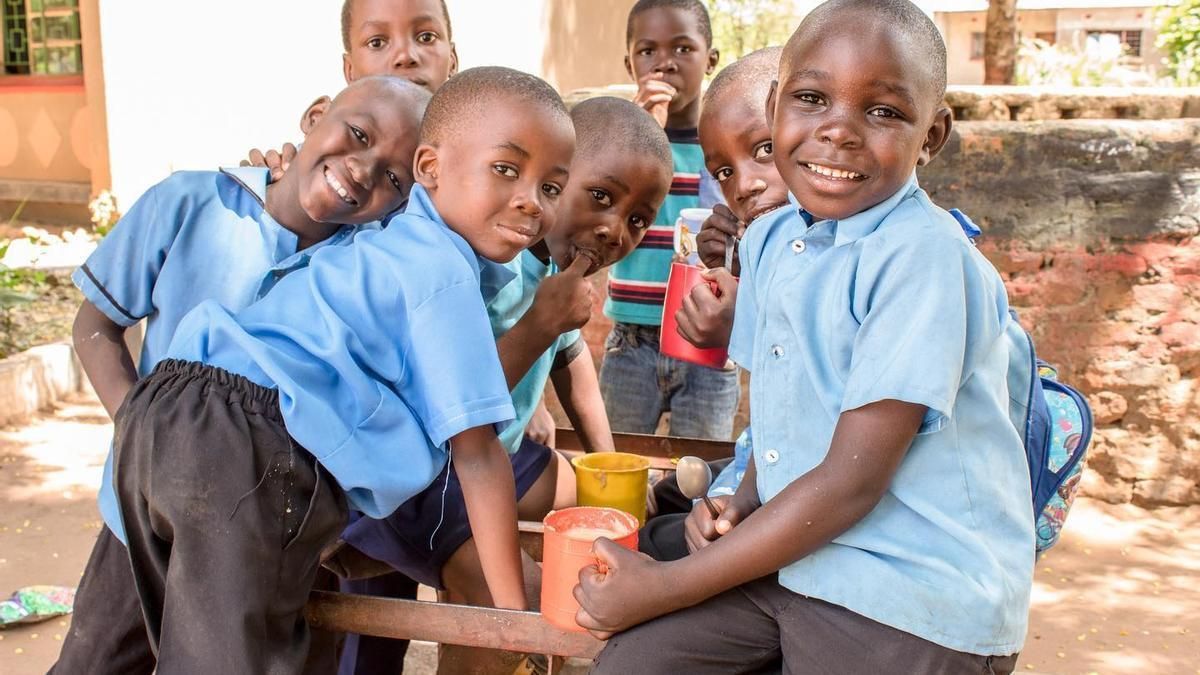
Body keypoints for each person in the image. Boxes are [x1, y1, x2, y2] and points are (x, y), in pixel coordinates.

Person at [575, 2, 1033, 672]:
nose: (839, 132)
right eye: (813, 98)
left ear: (931, 135)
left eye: (883, 111)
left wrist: (664, 585)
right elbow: (786, 422)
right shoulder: (768, 242)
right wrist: (738, 501)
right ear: (777, 102)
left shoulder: (923, 255)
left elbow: (852, 480)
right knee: (631, 664)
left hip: (914, 590)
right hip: (801, 558)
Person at [109, 67, 575, 673]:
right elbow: (478, 453)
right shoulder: (444, 267)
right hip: (248, 440)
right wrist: (512, 618)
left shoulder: (378, 241)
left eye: (552, 188)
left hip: (165, 410)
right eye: (507, 170)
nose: (530, 202)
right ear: (429, 169)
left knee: (200, 648)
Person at [52, 76, 430, 675]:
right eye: (357, 134)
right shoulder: (190, 203)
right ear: (314, 116)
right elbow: (94, 327)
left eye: (393, 178)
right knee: (95, 662)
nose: (362, 170)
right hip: (139, 518)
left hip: (263, 539)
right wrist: (146, 437)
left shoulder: (366, 275)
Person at [338, 96, 674, 675]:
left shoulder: (551, 270)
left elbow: (573, 365)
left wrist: (605, 461)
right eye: (599, 196)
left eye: (638, 219)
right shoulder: (486, 259)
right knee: (500, 606)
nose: (615, 228)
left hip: (499, 452)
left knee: (592, 500)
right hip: (430, 469)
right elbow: (450, 411)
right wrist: (540, 322)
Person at [638, 47, 790, 562]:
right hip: (763, 473)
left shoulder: (860, 255)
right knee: (665, 499)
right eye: (723, 171)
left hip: (801, 500)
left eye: (765, 150)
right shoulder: (779, 243)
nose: (743, 184)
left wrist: (738, 323)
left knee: (652, 542)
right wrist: (735, 265)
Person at [599, 0, 741, 441]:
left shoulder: (726, 147)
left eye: (682, 48)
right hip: (631, 340)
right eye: (648, 52)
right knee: (615, 461)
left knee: (698, 473)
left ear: (710, 59)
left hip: (708, 337)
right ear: (630, 64)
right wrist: (642, 133)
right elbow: (602, 216)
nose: (664, 63)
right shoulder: (616, 145)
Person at [247, 0, 458, 179]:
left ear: (453, 60)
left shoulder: (480, 162)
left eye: (426, 37)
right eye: (377, 42)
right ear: (350, 71)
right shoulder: (312, 172)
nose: (405, 56)